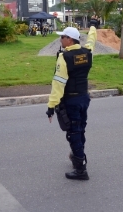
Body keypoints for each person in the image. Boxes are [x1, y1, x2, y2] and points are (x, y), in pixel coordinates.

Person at [46, 25, 97, 181]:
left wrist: (51, 106)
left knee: (73, 132)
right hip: (84, 98)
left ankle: (81, 170)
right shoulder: (87, 53)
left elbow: (58, 83)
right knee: (80, 128)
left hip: (71, 100)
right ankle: (77, 155)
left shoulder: (65, 57)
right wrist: (93, 26)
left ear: (69, 39)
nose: (60, 39)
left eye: (62, 37)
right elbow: (92, 40)